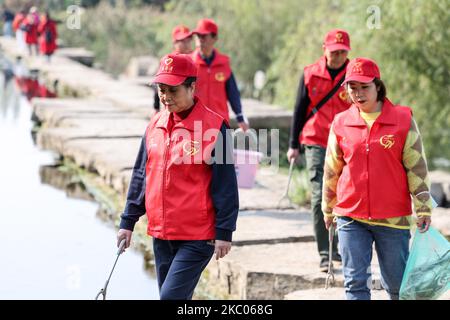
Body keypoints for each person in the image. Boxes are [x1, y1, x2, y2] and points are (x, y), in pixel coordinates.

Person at [117, 53, 239, 300]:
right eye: (162, 90)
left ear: (192, 87)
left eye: (173, 90)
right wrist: (128, 221)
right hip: (162, 234)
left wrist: (224, 231)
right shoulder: (155, 125)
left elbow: (226, 185)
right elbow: (142, 174)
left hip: (197, 236)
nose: (166, 97)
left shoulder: (216, 127)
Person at [322, 57, 432, 300]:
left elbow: (416, 167)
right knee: (355, 284)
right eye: (352, 88)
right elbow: (332, 169)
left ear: (378, 86)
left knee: (396, 286)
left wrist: (423, 207)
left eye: (364, 87)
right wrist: (328, 208)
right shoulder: (341, 123)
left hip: (392, 218)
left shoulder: (403, 119)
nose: (358, 94)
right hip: (350, 216)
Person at [287, 29, 352, 271]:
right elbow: (298, 109)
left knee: (344, 195)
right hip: (316, 139)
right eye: (334, 52)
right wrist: (293, 144)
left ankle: (339, 250)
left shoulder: (354, 76)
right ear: (324, 49)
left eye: (342, 52)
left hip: (346, 141)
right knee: (319, 195)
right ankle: (325, 254)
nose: (337, 56)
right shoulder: (310, 74)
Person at [191, 18, 249, 131]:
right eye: (198, 36)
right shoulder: (189, 63)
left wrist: (240, 117)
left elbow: (233, 93)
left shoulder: (224, 64)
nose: (200, 40)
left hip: (219, 123)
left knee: (221, 149)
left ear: (214, 38)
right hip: (194, 124)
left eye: (204, 36)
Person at [153, 25, 193, 112]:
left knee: (197, 125)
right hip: (172, 110)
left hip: (195, 111)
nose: (186, 44)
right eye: (182, 41)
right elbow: (158, 85)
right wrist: (156, 108)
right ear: (174, 43)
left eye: (188, 40)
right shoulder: (167, 62)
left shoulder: (196, 61)